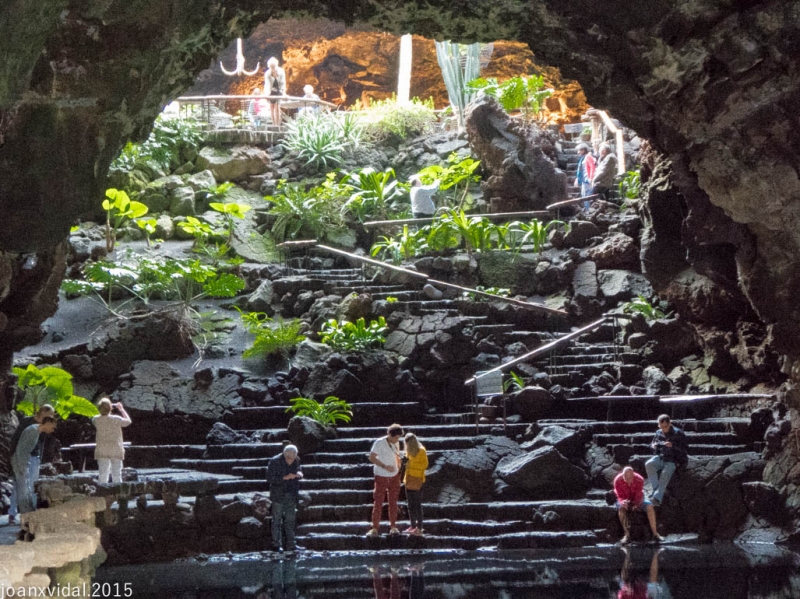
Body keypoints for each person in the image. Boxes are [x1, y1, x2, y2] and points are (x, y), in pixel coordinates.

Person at [7, 404, 56, 523]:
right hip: (22, 457)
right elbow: (16, 440)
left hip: (34, 457)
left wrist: (40, 458)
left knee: (32, 486)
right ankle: (13, 513)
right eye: (50, 414)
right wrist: (13, 459)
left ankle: (30, 513)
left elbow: (41, 443)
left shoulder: (42, 427)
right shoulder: (27, 423)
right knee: (19, 486)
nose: (51, 417)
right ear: (43, 412)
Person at [367, 424, 404, 537]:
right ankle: (375, 528)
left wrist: (399, 467)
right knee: (378, 502)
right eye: (395, 437)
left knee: (393, 502)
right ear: (390, 435)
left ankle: (393, 526)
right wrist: (384, 466)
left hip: (394, 475)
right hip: (381, 475)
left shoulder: (396, 443)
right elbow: (371, 457)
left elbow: (396, 456)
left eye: (398, 438)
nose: (397, 440)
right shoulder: (379, 442)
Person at [267, 444, 303, 552]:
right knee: (277, 519)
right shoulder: (274, 461)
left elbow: (299, 469)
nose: (291, 460)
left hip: (291, 494)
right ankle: (276, 544)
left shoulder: (296, 460)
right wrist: (285, 478)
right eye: (289, 458)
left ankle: (291, 544)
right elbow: (269, 478)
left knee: (290, 520)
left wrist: (299, 474)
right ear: (284, 454)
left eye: (293, 457)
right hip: (278, 494)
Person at [614, 466, 664, 544]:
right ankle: (626, 535)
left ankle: (655, 534)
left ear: (633, 475)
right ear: (622, 476)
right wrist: (623, 502)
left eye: (630, 478)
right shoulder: (617, 480)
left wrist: (636, 504)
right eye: (626, 478)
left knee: (650, 506)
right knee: (621, 510)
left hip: (638, 498)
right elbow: (619, 495)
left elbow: (638, 494)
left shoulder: (639, 479)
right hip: (624, 498)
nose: (628, 481)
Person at [646, 415, 688, 506]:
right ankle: (657, 491)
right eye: (661, 427)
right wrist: (653, 446)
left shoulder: (678, 433)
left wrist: (672, 446)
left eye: (665, 426)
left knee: (665, 474)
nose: (664, 429)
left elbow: (684, 450)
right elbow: (651, 445)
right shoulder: (658, 432)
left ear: (670, 423)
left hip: (673, 459)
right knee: (648, 464)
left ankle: (657, 498)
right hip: (660, 456)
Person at [93, 398, 132, 484]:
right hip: (116, 449)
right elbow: (128, 421)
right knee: (117, 475)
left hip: (102, 450)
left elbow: (100, 416)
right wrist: (121, 410)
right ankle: (118, 495)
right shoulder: (116, 419)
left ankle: (103, 494)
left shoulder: (95, 419)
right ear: (111, 408)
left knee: (103, 475)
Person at [403, 432, 428, 536]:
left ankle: (420, 527)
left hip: (417, 479)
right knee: (410, 505)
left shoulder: (421, 451)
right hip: (408, 479)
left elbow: (425, 465)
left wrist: (410, 464)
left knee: (417, 505)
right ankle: (413, 526)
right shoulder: (408, 451)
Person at [264, 57, 287, 127]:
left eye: (274, 66)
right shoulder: (267, 73)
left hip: (279, 90)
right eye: (271, 66)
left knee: (277, 107)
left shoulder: (281, 71)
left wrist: (283, 92)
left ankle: (277, 124)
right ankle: (273, 123)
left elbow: (283, 82)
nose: (273, 68)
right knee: (271, 107)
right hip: (271, 91)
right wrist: (267, 93)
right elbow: (267, 84)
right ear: (269, 66)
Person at [574, 143, 596, 208]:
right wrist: (577, 179)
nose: (578, 152)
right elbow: (580, 170)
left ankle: (589, 210)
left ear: (583, 150)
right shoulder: (583, 158)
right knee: (584, 195)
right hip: (584, 180)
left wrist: (591, 178)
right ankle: (587, 209)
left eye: (579, 151)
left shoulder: (588, 156)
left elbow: (592, 167)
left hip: (588, 180)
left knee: (587, 196)